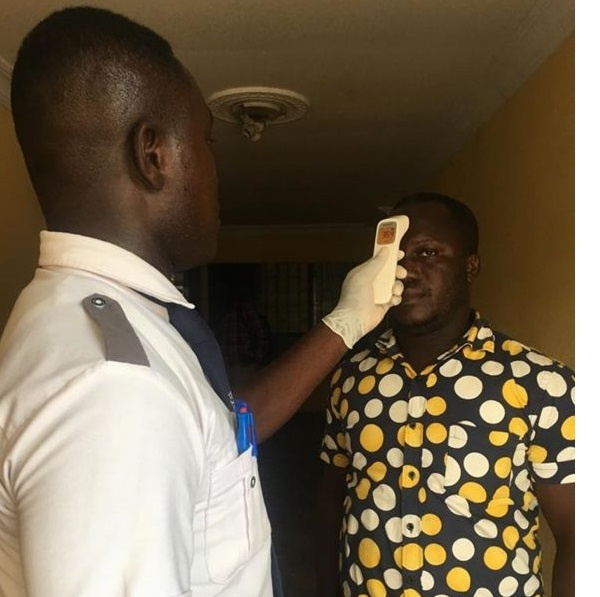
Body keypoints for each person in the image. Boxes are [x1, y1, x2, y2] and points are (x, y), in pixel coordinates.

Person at [0, 6, 405, 597]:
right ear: (154, 155)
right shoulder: (117, 386)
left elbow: (222, 428)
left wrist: (345, 322)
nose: (217, 174)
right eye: (207, 143)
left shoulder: (104, 319)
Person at [316, 192, 575, 597]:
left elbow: (578, 533)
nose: (406, 271)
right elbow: (333, 502)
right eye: (393, 257)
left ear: (470, 267)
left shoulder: (541, 384)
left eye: (429, 252)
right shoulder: (351, 378)